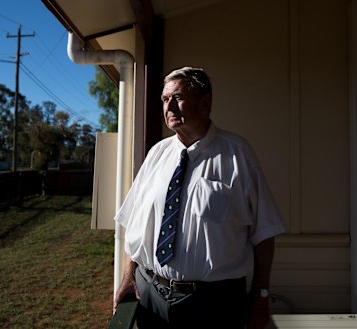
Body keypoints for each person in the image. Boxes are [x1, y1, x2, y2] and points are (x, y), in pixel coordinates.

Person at [113, 66, 287, 329]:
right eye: (164, 99)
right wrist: (128, 275)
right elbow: (137, 224)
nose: (169, 107)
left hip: (215, 304)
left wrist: (261, 296)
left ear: (205, 103)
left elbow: (264, 233)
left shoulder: (237, 154)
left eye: (178, 98)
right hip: (152, 296)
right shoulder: (157, 154)